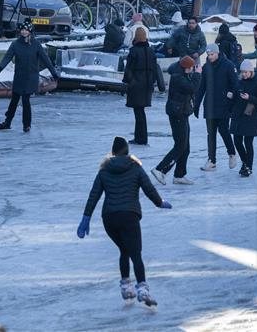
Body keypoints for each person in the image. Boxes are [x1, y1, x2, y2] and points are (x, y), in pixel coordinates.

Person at [77, 136, 171, 307]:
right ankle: (143, 290)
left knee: (124, 250)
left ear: (112, 153)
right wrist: (160, 203)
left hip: (110, 219)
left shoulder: (104, 170)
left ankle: (126, 287)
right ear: (128, 152)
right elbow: (148, 188)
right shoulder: (135, 168)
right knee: (135, 254)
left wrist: (86, 218)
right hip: (129, 216)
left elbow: (93, 195)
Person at [0, 19, 59, 132]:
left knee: (25, 101)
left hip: (30, 77)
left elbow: (46, 59)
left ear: (30, 31)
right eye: (22, 30)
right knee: (14, 100)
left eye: (26, 30)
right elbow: (8, 57)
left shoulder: (36, 44)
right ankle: (7, 122)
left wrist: (53, 73)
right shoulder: (16, 44)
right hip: (19, 77)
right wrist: (0, 68)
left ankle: (26, 125)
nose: (24, 32)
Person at [152, 56, 200, 185]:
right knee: (180, 145)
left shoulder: (181, 73)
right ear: (186, 68)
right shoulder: (178, 77)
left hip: (182, 112)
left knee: (186, 147)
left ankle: (179, 175)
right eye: (192, 68)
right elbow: (192, 88)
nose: (193, 70)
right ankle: (160, 169)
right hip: (177, 113)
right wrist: (197, 75)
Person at [194, 43, 239, 171]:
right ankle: (212, 160)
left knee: (224, 130)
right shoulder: (206, 67)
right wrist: (196, 105)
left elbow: (235, 84)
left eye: (212, 54)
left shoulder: (228, 65)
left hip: (224, 104)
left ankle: (232, 154)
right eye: (208, 55)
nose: (210, 57)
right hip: (209, 104)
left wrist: (232, 97)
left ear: (217, 53)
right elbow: (201, 87)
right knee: (211, 133)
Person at [123, 27, 165, 145]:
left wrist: (127, 82)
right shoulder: (151, 51)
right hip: (147, 85)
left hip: (136, 85)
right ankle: (142, 137)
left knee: (138, 112)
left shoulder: (134, 51)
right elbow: (154, 68)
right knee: (141, 111)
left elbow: (129, 69)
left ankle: (140, 138)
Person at [229, 59, 257, 177]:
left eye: (246, 72)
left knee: (248, 142)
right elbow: (235, 96)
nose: (243, 74)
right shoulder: (239, 82)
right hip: (238, 116)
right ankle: (245, 163)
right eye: (242, 72)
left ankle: (248, 166)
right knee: (237, 141)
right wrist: (232, 95)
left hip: (250, 116)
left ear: (251, 71)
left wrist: (249, 98)